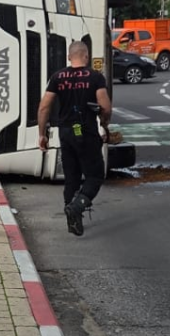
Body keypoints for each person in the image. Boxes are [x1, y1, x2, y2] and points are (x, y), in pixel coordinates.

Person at [37, 41, 112, 236]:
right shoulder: (95, 77)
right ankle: (77, 207)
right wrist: (104, 124)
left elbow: (44, 107)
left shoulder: (58, 77)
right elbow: (105, 107)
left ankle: (73, 219)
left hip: (66, 133)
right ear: (86, 56)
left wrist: (41, 134)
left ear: (69, 57)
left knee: (72, 177)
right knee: (95, 176)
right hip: (86, 132)